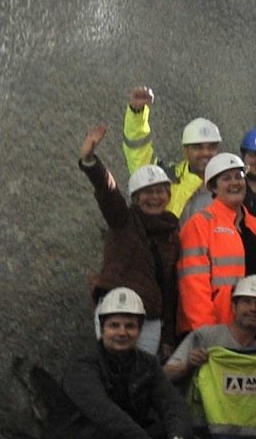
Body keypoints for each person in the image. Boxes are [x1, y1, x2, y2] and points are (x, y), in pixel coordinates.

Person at [43, 289, 189, 439]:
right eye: (114, 325)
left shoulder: (148, 364)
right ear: (102, 329)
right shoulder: (82, 367)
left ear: (139, 331)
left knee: (171, 434)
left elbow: (172, 404)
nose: (122, 332)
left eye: (130, 326)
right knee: (101, 438)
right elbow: (106, 414)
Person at [78, 125, 181, 355]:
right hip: (116, 312)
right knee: (114, 370)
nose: (154, 197)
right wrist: (90, 161)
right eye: (147, 192)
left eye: (160, 191)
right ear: (135, 198)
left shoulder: (172, 234)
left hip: (151, 318)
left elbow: (169, 289)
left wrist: (167, 337)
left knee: (142, 378)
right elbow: (108, 190)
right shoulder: (122, 219)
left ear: (168, 195)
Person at [178, 153, 256, 333]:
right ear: (213, 187)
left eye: (239, 177)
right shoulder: (199, 225)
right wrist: (208, 333)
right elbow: (193, 289)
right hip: (219, 330)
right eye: (226, 178)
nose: (234, 183)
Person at [164, 275, 256, 380]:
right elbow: (165, 376)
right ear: (234, 307)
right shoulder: (205, 337)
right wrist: (188, 366)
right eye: (246, 302)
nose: (253, 308)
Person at [119, 87, 220, 216]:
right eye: (197, 147)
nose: (205, 153)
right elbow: (138, 152)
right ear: (185, 150)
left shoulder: (229, 185)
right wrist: (137, 113)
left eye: (211, 147)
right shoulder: (165, 177)